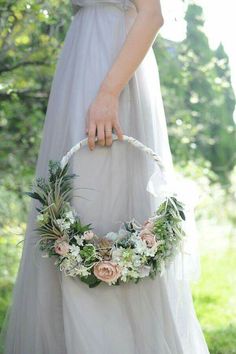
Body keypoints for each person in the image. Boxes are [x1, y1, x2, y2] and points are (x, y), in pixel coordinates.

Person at [0, 0, 210, 353]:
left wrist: (108, 93)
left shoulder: (108, 85)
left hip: (110, 74)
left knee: (99, 207)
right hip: (80, 69)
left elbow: (151, 14)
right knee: (67, 208)